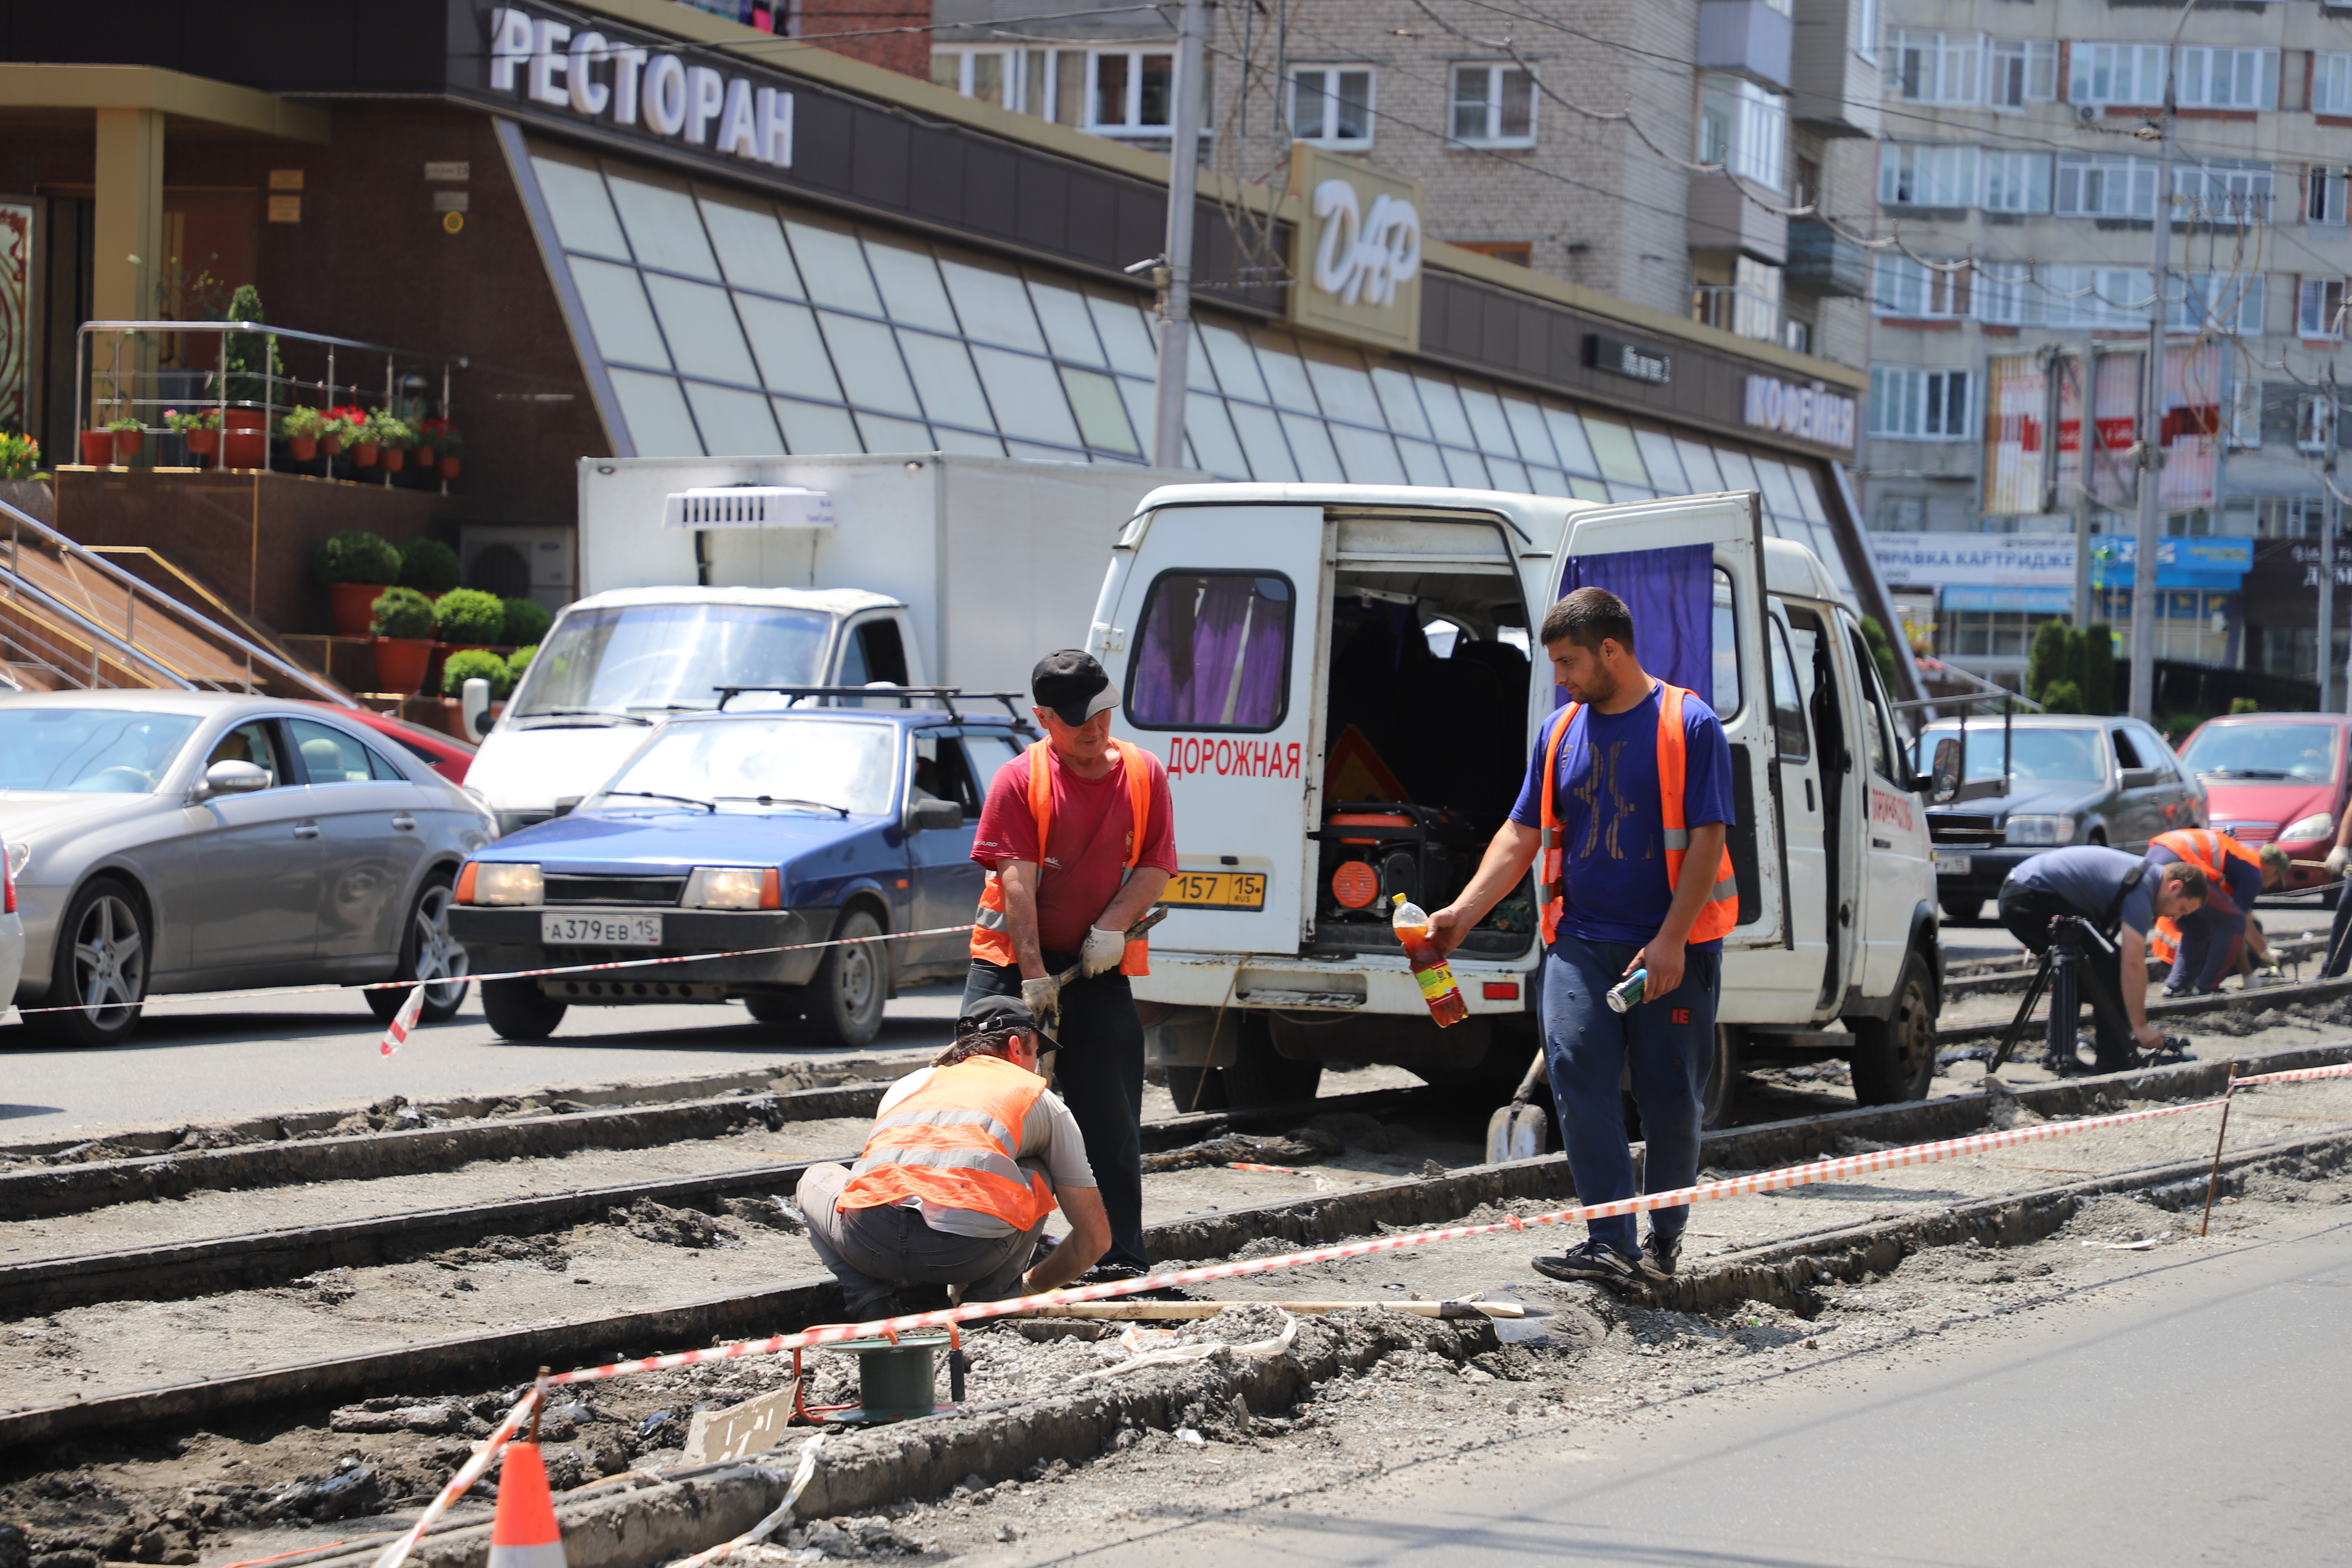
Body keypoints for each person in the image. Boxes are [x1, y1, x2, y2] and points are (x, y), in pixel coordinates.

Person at [1427, 587, 1737, 1291]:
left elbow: (1706, 841)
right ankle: (1609, 1241)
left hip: (1670, 950)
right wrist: (1464, 914)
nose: (1560, 678)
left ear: (1611, 650)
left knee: (1670, 1099)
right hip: (1581, 942)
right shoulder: (1559, 732)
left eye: (1568, 663)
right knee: (1576, 1073)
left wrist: (1669, 943)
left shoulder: (1688, 724)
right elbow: (1522, 834)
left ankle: (1663, 1239)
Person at [962, 649, 1174, 1281]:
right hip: (1010, 967)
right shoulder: (1018, 780)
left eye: (1104, 713)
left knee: (1108, 1117)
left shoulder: (1143, 774)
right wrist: (1031, 978)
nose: (1096, 729)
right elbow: (1018, 885)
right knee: (987, 1111)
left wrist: (1111, 927)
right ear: (1043, 718)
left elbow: (1156, 866)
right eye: (1079, 719)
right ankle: (975, 1255)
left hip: (1096, 968)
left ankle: (1119, 1258)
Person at [795, 996, 1110, 1317]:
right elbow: (1095, 1240)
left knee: (816, 1177)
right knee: (1037, 1171)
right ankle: (992, 1301)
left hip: (870, 1246)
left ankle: (869, 1300)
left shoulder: (909, 1085)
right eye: (1035, 1053)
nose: (1036, 1065)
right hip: (965, 1256)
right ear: (1016, 1047)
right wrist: (1030, 1286)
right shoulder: (1037, 1097)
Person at [1996, 847, 2207, 1073]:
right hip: (2032, 895)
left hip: (2021, 893)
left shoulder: (2142, 878)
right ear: (2175, 887)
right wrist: (2141, 1028)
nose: (2176, 917)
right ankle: (2114, 1062)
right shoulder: (2144, 889)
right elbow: (2132, 965)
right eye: (2182, 908)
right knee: (2111, 968)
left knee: (2079, 967)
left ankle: (2059, 1054)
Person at [2144, 829, 2286, 995]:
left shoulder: (2241, 855)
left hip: (2157, 854)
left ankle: (2177, 986)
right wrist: (2250, 976)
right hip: (2181, 859)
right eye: (2275, 880)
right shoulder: (2254, 873)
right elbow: (2237, 924)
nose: (2269, 886)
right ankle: (2206, 988)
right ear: (2270, 870)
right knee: (2233, 922)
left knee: (2198, 927)